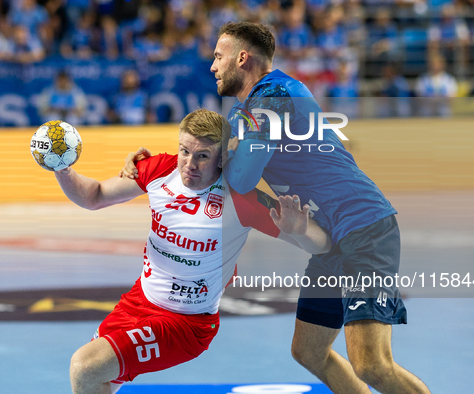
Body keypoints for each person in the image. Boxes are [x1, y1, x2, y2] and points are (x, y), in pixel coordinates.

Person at [122, 22, 430, 394]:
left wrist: (227, 159)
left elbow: (241, 178)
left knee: (372, 365)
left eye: (218, 57)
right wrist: (155, 163)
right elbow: (210, 158)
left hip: (363, 227)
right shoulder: (244, 112)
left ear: (242, 57)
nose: (212, 67)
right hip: (331, 239)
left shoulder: (277, 95)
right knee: (309, 352)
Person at [55, 109, 331, 394]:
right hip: (138, 301)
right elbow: (95, 195)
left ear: (222, 158)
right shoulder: (160, 169)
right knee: (95, 381)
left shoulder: (241, 200)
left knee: (85, 366)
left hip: (187, 323)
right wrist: (62, 169)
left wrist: (299, 230)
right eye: (184, 151)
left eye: (202, 156)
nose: (189, 164)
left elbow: (321, 244)